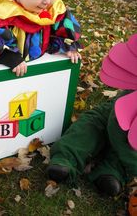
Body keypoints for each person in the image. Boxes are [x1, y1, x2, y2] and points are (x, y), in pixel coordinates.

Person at [47, 33, 137, 197]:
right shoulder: (129, 101)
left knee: (128, 149)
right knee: (89, 128)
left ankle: (110, 174)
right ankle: (66, 158)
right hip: (116, 115)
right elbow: (117, 127)